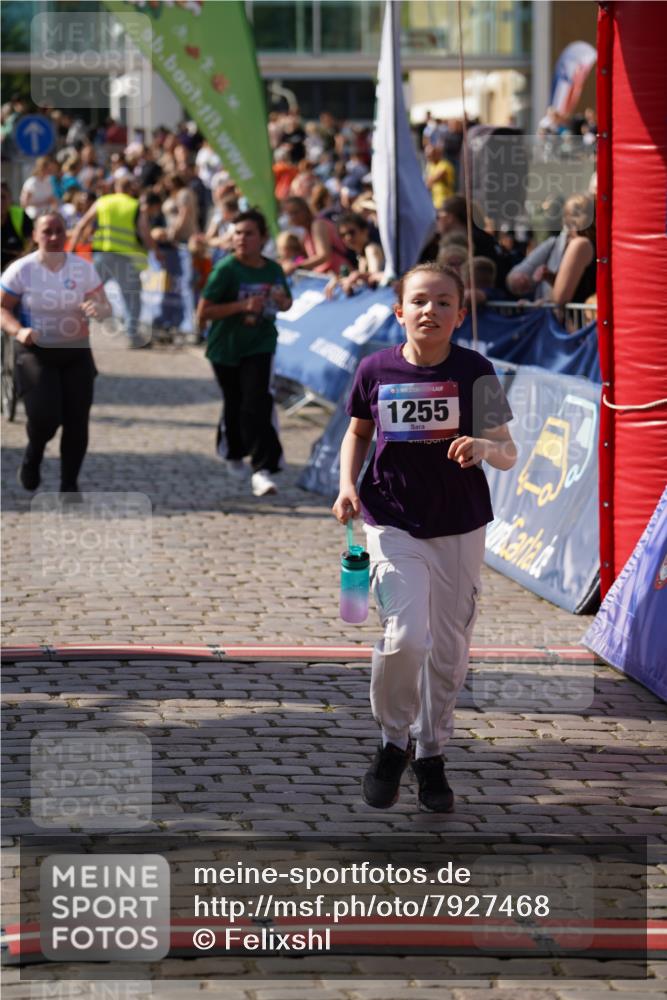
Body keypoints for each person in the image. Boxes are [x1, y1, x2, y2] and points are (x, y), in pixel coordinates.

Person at [332, 262, 516, 812]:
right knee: (405, 637)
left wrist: (482, 447)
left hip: (460, 525)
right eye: (418, 301)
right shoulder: (375, 369)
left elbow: (507, 451)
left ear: (460, 315)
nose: (429, 310)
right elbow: (357, 432)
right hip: (391, 520)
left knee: (449, 649)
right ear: (399, 311)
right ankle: (393, 743)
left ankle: (432, 753)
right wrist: (347, 486)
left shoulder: (476, 371)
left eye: (442, 302)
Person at [0, 212, 112, 495]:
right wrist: (18, 331)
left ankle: (69, 485)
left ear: (67, 234)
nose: (53, 237)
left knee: (77, 420)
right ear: (35, 235)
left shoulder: (82, 268)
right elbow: (2, 308)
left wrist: (98, 309)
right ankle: (34, 452)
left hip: (76, 352)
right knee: (45, 417)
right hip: (35, 351)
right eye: (47, 231)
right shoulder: (22, 269)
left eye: (59, 231)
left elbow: (104, 305)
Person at [196, 209, 292, 497]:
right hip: (225, 348)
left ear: (262, 238)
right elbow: (203, 313)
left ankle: (263, 469)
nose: (241, 239)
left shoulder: (272, 270)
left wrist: (280, 299)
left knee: (257, 401)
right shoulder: (226, 269)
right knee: (235, 402)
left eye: (249, 233)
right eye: (237, 233)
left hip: (260, 343)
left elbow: (286, 303)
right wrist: (242, 306)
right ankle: (233, 451)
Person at [70, 176, 159, 349]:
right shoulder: (134, 206)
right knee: (132, 298)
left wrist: (71, 249)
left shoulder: (103, 201)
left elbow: (81, 225)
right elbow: (145, 233)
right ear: (130, 189)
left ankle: (72, 330)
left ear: (116, 187)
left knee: (88, 293)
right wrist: (156, 251)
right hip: (126, 259)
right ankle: (133, 337)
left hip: (102, 255)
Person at [282, 196, 350, 276]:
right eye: (289, 214)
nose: (293, 217)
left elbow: (324, 256)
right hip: (328, 278)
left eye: (295, 212)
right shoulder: (307, 232)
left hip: (341, 275)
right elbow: (305, 257)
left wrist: (296, 267)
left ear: (305, 210)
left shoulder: (317, 225)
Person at [325, 213, 384, 298]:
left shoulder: (371, 249)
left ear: (364, 230)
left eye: (351, 232)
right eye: (343, 235)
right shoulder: (360, 254)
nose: (348, 238)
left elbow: (374, 278)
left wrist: (356, 276)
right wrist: (339, 279)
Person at [1, 182, 33, 272]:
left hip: (17, 268)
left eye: (3, 197)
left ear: (10, 199)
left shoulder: (21, 215)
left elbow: (30, 245)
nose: (0, 202)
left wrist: (15, 264)